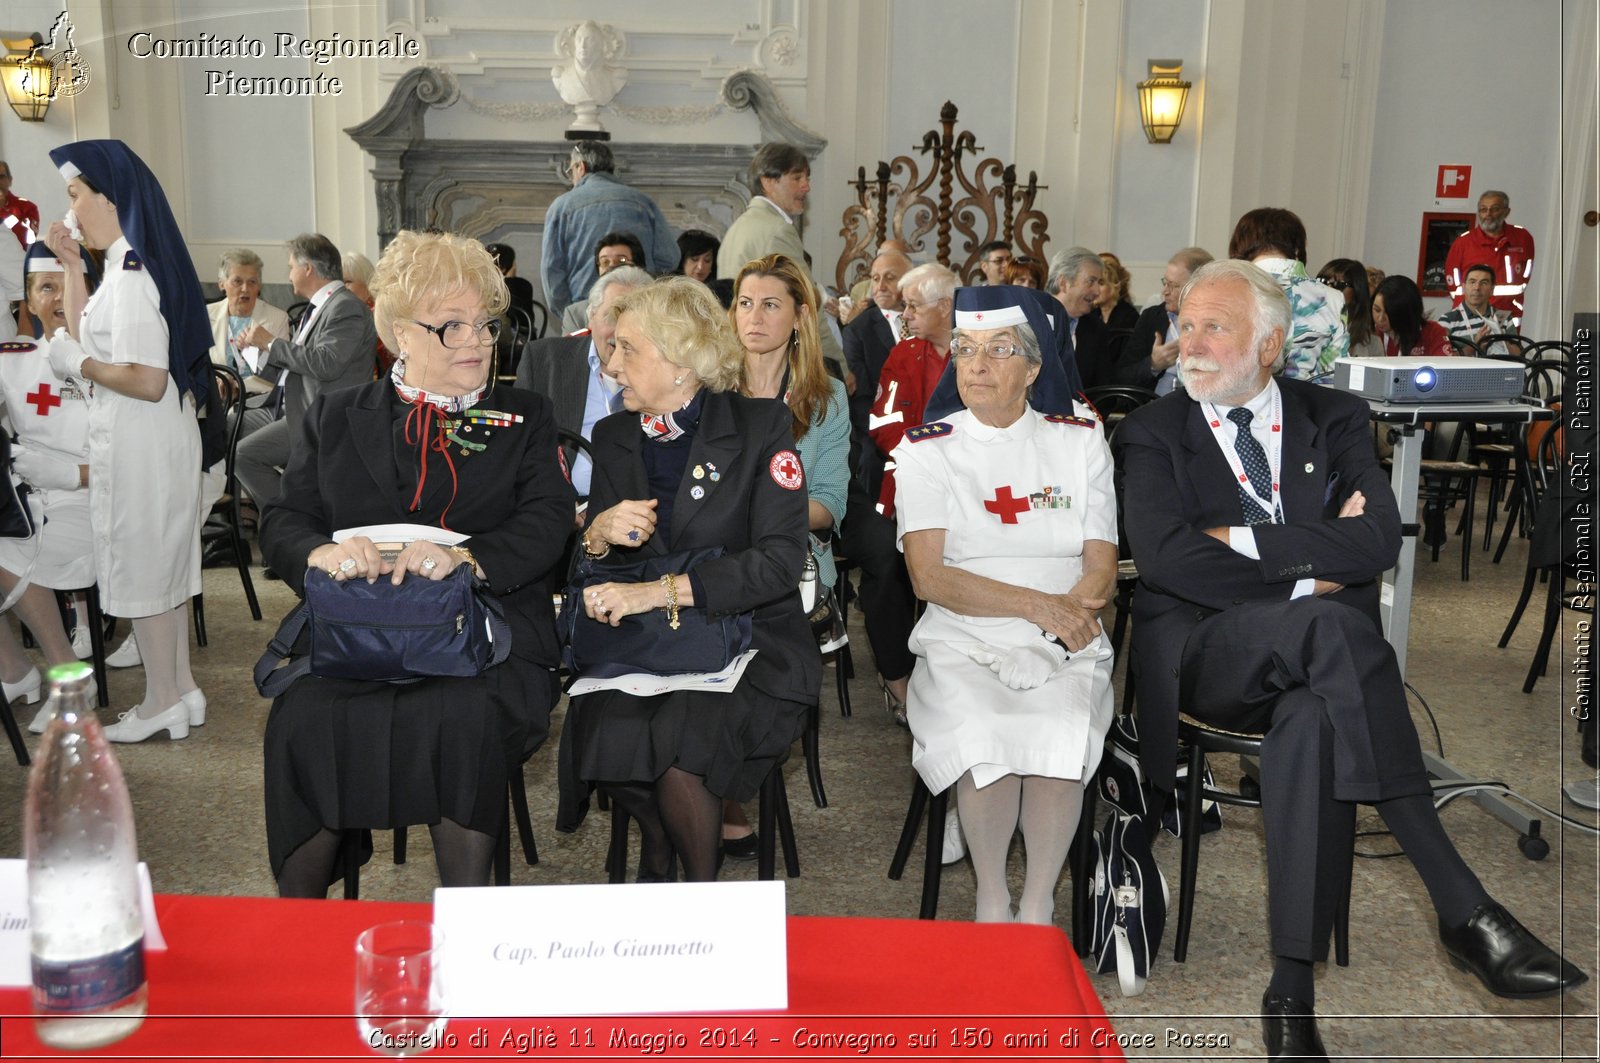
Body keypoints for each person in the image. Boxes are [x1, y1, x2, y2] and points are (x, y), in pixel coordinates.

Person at [1116, 259, 1585, 1058]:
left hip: (1310, 666)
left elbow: (1377, 540)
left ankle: (1289, 996)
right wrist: (1313, 564)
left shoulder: (1333, 415)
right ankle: (1462, 904)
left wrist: (1245, 544)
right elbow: (1167, 562)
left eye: (1212, 327)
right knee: (1333, 630)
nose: (1187, 342)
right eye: (1184, 324)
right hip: (1206, 654)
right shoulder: (1154, 431)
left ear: (1267, 345)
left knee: (1310, 725)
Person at [259, 230, 574, 896]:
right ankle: (299, 928)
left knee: (462, 717)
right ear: (403, 333)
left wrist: (468, 558)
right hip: (355, 632)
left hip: (489, 636)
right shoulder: (339, 416)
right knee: (304, 716)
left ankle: (470, 926)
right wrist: (326, 553)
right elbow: (286, 521)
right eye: (451, 327)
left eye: (486, 324)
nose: (478, 342)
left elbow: (548, 525)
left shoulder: (524, 414)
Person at [556, 276, 820, 883]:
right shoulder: (615, 435)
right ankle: (658, 839)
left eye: (628, 349)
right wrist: (597, 532)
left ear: (680, 362)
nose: (610, 361)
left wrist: (661, 591)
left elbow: (779, 563)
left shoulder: (759, 428)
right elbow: (601, 566)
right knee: (608, 730)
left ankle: (696, 895)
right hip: (647, 639)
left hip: (750, 634)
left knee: (683, 747)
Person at [892, 284, 1116, 925]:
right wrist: (1036, 610)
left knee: (1055, 730)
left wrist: (1051, 638)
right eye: (965, 349)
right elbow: (929, 577)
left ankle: (1040, 901)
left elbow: (1100, 571)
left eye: (998, 350)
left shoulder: (1079, 443)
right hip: (962, 634)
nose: (977, 364)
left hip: (1067, 634)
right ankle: (992, 897)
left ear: (1035, 366)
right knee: (984, 734)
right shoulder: (926, 450)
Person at [42, 138, 213, 742]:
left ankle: (161, 700)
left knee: (145, 565)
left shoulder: (134, 273)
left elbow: (145, 377)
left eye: (74, 197)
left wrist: (74, 364)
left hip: (143, 435)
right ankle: (181, 689)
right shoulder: (119, 264)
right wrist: (68, 268)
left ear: (109, 200)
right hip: (144, 437)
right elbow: (88, 332)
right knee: (158, 564)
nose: (67, 213)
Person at [727, 252, 849, 858]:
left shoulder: (823, 397)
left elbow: (827, 505)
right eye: (745, 303)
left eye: (770, 304)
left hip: (792, 570)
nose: (754, 316)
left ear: (800, 317)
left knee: (764, 664)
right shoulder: (709, 387)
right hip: (716, 560)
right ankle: (719, 795)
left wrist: (760, 512)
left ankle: (730, 787)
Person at [3, 242, 95, 731]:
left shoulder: (106, 360)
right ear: (28, 299)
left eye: (67, 286)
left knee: (8, 554)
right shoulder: (10, 359)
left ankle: (70, 675)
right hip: (28, 497)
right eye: (46, 287)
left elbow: (126, 453)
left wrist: (70, 475)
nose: (58, 297)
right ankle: (15, 670)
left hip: (94, 502)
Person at [864, 262, 957, 721]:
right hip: (906, 481)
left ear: (946, 306)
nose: (907, 314)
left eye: (915, 306)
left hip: (976, 488)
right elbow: (882, 422)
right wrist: (929, 452)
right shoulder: (905, 354)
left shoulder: (982, 349)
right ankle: (897, 677)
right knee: (885, 568)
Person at [235, 233, 378, 511]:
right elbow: (295, 367)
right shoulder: (320, 306)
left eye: (291, 267)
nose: (289, 275)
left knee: (245, 455)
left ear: (308, 268)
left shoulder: (346, 306)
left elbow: (326, 363)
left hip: (321, 416)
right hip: (291, 404)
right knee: (222, 427)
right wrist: (254, 351)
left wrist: (271, 342)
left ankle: (290, 518)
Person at [514, 265, 651, 495]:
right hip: (558, 510)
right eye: (611, 317)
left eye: (635, 320)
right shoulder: (542, 361)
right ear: (591, 317)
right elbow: (516, 448)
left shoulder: (664, 375)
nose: (620, 332)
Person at [541, 141, 675, 321]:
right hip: (638, 306)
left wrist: (570, 312)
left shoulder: (562, 206)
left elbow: (552, 271)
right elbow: (669, 258)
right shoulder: (643, 202)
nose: (571, 176)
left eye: (571, 170)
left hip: (586, 307)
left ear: (581, 167)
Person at [1228, 207, 1348, 380]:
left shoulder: (1229, 290)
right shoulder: (1333, 298)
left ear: (1241, 244)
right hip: (1306, 403)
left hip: (1237, 402)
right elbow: (1334, 374)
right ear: (1297, 247)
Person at [1114, 246, 1212, 392]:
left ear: (1198, 287)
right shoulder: (1151, 318)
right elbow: (1121, 377)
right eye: (1165, 283)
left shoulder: (1217, 324)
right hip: (1156, 406)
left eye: (1173, 286)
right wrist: (1153, 365)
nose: (1165, 291)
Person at [1444, 190, 1534, 327]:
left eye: (1495, 209)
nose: (1488, 214)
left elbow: (1525, 277)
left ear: (1506, 212)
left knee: (1511, 349)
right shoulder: (1463, 243)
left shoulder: (1522, 238)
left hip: (1508, 317)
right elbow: (1454, 288)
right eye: (1483, 209)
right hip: (1470, 318)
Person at [558, 230, 650, 335]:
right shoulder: (576, 314)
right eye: (605, 262)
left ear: (638, 265)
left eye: (621, 261)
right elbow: (571, 349)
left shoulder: (654, 307)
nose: (611, 266)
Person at [1045, 247, 1110, 389]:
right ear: (1063, 283)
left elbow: (1103, 391)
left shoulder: (1096, 329)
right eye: (1091, 281)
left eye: (1099, 283)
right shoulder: (1030, 321)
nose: (1097, 291)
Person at [1437, 263, 1516, 355]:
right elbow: (1442, 359)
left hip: (1499, 369)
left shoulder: (1504, 318)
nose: (1477, 288)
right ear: (1463, 288)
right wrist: (1474, 345)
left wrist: (1503, 340)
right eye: (1472, 282)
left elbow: (1519, 356)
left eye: (1484, 283)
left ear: (1492, 289)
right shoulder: (1447, 320)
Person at [1315, 257, 1382, 359]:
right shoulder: (1304, 329)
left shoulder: (1373, 344)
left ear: (1357, 292)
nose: (1329, 289)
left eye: (1339, 284)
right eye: (1322, 281)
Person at [1372, 275, 1451, 358]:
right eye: (1376, 310)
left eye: (1389, 313)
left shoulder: (1433, 333)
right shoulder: (1373, 334)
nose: (1380, 318)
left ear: (1406, 313)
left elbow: (1445, 369)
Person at [1094, 252, 1140, 332]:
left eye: (1101, 283)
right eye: (1092, 282)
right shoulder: (1091, 315)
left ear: (1116, 286)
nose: (1095, 288)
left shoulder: (1129, 317)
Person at [0, 160, 40, 249]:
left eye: (1, 177)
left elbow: (28, 240)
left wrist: (1, 210)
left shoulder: (27, 207)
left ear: (10, 180)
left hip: (17, 260)